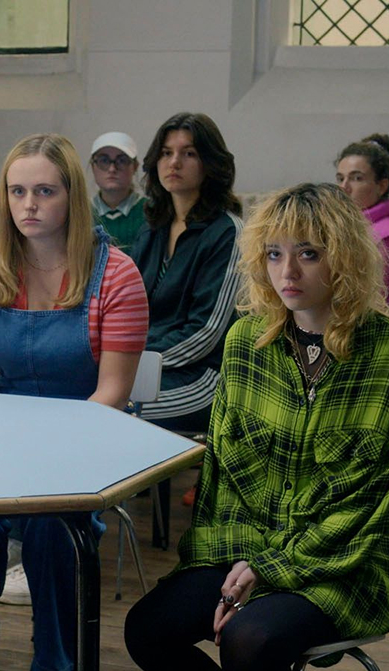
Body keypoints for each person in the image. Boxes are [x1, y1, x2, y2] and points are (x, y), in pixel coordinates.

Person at [124, 182, 389, 671]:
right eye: (273, 254)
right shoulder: (245, 342)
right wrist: (242, 566)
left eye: (308, 253)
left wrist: (269, 570)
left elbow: (362, 504)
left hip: (345, 562)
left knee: (250, 640)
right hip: (246, 544)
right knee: (146, 629)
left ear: (345, 257)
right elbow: (223, 477)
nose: (287, 272)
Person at [0, 133, 149, 671]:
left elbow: (111, 394)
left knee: (53, 527)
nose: (28, 205)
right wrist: (8, 454)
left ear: (72, 196)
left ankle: (56, 661)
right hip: (1, 437)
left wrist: (50, 459)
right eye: (17, 191)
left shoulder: (117, 275)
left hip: (87, 441)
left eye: (45, 191)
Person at [130, 111, 242, 434]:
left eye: (189, 153)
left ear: (210, 163)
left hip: (203, 377)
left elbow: (206, 332)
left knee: (112, 409)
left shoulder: (228, 232)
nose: (174, 163)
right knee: (85, 396)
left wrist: (134, 358)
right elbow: (126, 308)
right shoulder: (152, 227)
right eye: (166, 153)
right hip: (143, 366)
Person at [335, 133, 389, 304]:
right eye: (340, 178)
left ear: (382, 186)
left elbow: (369, 303)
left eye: (357, 178)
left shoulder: (385, 237)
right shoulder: (352, 226)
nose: (344, 187)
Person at [88, 131, 146, 254]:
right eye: (104, 160)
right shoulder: (80, 212)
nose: (112, 169)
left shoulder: (151, 212)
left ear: (135, 166)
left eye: (121, 161)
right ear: (93, 166)